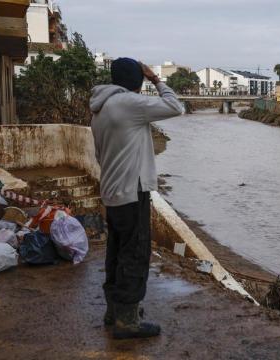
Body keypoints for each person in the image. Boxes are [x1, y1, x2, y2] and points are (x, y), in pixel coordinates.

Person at [90, 58, 184, 339]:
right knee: (135, 254)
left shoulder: (100, 108)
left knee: (116, 253)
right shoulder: (128, 103)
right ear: (136, 80)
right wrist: (157, 79)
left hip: (112, 190)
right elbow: (175, 106)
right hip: (132, 191)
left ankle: (114, 310)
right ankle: (127, 321)